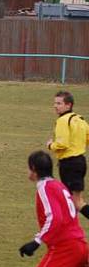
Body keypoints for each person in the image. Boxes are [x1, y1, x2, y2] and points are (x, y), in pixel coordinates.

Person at [47, 91, 89, 220]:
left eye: (59, 103)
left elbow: (62, 144)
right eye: (55, 103)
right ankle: (70, 230)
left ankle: (69, 232)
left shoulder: (63, 121)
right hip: (81, 162)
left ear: (68, 105)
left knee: (76, 202)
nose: (55, 106)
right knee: (74, 201)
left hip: (69, 164)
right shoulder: (80, 119)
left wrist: (50, 145)